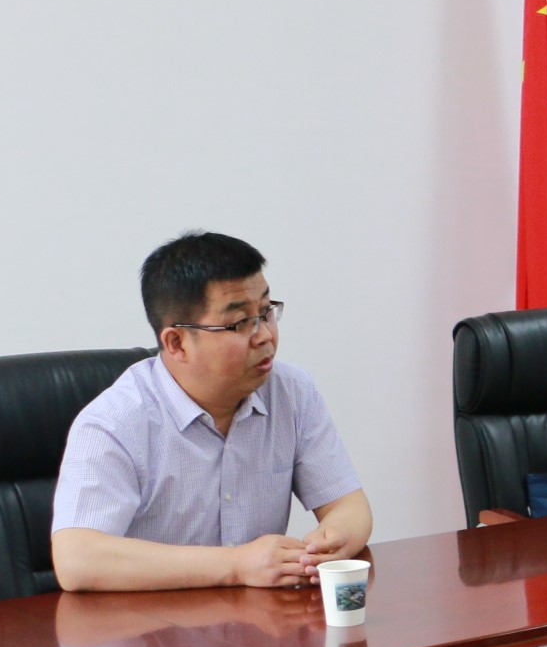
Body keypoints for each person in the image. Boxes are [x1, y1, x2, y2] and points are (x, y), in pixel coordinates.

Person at [50, 232, 371, 592]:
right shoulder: (114, 422)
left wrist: (331, 542)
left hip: (261, 619)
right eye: (240, 323)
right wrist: (236, 565)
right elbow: (77, 560)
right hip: (153, 623)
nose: (265, 335)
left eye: (266, 312)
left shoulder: (292, 392)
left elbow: (348, 505)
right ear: (177, 343)